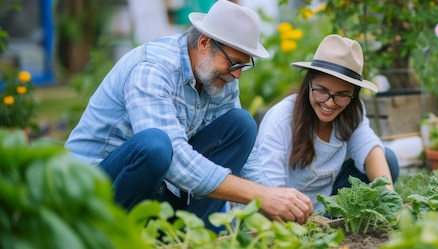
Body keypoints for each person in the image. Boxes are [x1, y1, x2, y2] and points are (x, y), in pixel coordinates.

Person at [64, 0, 312, 231]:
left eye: (243, 65)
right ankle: (113, 235)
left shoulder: (219, 75)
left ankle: (189, 236)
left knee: (242, 126)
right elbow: (175, 160)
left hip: (154, 187)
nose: (237, 75)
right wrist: (260, 196)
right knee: (156, 145)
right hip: (94, 187)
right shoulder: (153, 69)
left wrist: (277, 200)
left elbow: (245, 156)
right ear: (204, 43)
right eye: (234, 63)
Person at [250, 34, 400, 212]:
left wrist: (391, 205)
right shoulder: (281, 119)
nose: (329, 103)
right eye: (322, 91)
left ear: (353, 94)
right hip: (285, 210)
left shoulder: (351, 110)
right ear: (309, 83)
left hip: (328, 208)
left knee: (386, 159)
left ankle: (336, 220)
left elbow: (369, 148)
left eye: (342, 95)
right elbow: (270, 189)